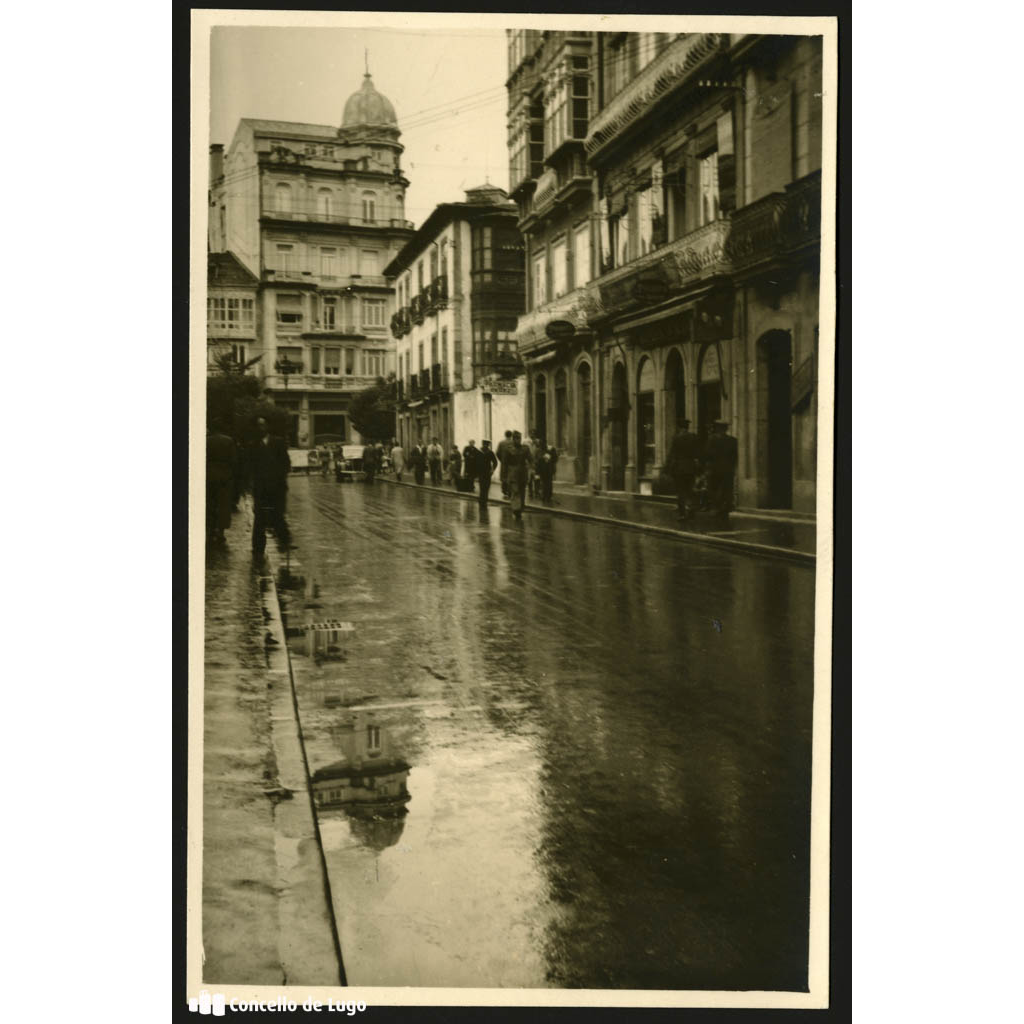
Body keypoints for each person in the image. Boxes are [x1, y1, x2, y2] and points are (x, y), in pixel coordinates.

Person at [248, 416, 291, 557]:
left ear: (267, 426)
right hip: (260, 488)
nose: (261, 428)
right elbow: (250, 467)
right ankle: (258, 548)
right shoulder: (253, 445)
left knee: (278, 515)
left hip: (277, 487)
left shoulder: (278, 442)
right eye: (258, 425)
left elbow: (286, 463)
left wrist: (279, 477)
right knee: (259, 518)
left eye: (263, 425)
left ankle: (285, 542)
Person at [206, 418, 236, 545]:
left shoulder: (206, 441)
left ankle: (210, 530)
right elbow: (234, 461)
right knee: (223, 505)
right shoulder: (228, 441)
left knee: (210, 505)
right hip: (224, 477)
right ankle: (221, 532)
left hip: (209, 476)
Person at [666, 418, 701, 521]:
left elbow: (672, 454)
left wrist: (667, 468)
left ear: (679, 427)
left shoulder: (677, 438)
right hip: (691, 467)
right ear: (687, 427)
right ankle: (691, 510)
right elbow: (698, 453)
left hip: (679, 468)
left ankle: (682, 514)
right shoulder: (693, 437)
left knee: (681, 491)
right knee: (690, 489)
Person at [704, 420, 738, 518]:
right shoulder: (733, 440)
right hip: (728, 469)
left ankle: (718, 508)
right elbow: (735, 456)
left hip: (715, 468)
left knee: (714, 489)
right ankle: (725, 509)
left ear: (717, 428)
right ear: (726, 429)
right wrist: (732, 466)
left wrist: (708, 468)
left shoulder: (712, 440)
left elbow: (707, 455)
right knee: (727, 489)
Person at [504, 430, 533, 520]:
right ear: (513, 439)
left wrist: (532, 469)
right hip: (512, 472)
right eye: (516, 438)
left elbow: (531, 459)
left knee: (522, 491)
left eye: (519, 438)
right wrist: (504, 476)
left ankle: (520, 508)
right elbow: (505, 463)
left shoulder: (525, 448)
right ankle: (516, 509)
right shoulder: (508, 449)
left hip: (523, 472)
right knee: (515, 491)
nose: (518, 440)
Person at [476, 439, 498, 508]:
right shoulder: (478, 452)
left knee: (486, 487)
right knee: (482, 487)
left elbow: (495, 462)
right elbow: (475, 462)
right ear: (482, 444)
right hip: (480, 472)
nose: (485, 446)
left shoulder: (490, 452)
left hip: (487, 472)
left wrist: (492, 470)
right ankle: (482, 501)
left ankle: (484, 501)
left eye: (487, 445)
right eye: (484, 444)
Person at [496, 430, 513, 497]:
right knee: (511, 477)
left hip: (504, 463)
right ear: (511, 435)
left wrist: (501, 459)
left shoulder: (501, 443)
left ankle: (504, 491)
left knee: (504, 477)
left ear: (505, 435)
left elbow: (497, 453)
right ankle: (510, 491)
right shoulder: (513, 442)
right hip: (512, 463)